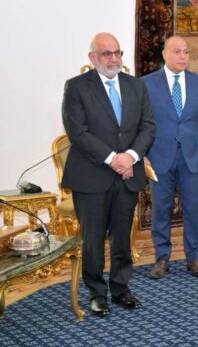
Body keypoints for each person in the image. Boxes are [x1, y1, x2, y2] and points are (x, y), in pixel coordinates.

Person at [61, 32, 155, 317]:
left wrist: (131, 157)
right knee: (92, 239)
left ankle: (120, 288)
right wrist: (114, 159)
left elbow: (148, 127)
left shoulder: (136, 85)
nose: (114, 59)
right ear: (92, 57)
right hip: (91, 177)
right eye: (106, 53)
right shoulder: (77, 87)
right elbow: (78, 132)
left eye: (117, 53)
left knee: (122, 238)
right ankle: (96, 293)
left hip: (127, 175)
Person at [142, 36, 198, 278]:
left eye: (186, 52)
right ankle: (161, 258)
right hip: (159, 156)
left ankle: (194, 258)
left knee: (193, 210)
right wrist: (141, 154)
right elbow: (139, 122)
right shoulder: (146, 84)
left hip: (192, 157)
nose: (183, 56)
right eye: (177, 51)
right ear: (164, 54)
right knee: (160, 210)